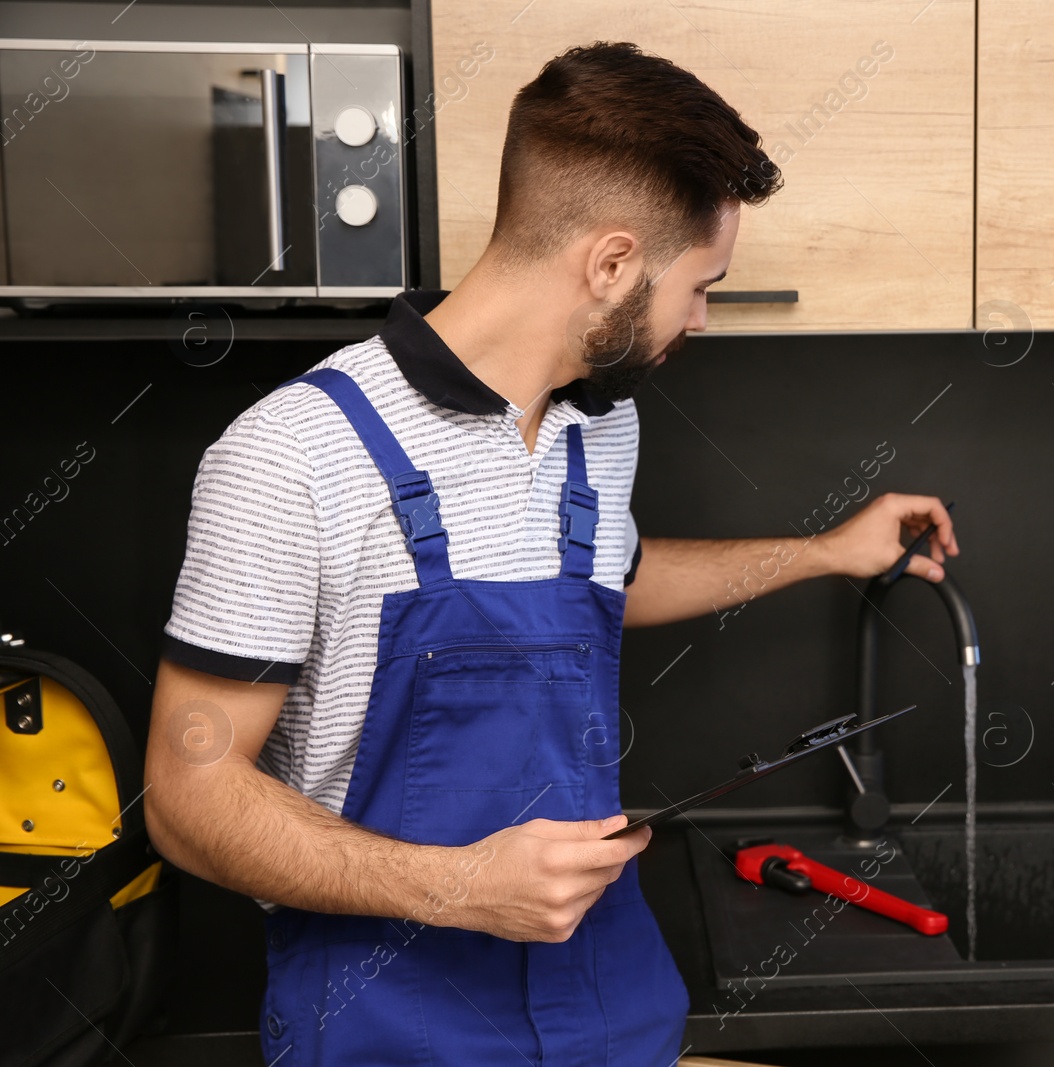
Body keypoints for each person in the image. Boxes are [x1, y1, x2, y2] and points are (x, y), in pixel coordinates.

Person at [144, 41, 958, 1067]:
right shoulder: (294, 455)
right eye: (700, 285)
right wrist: (461, 885)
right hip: (387, 1016)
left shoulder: (597, 426)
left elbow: (602, 583)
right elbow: (188, 794)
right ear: (612, 264)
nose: (699, 318)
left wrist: (824, 552)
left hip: (602, 996)